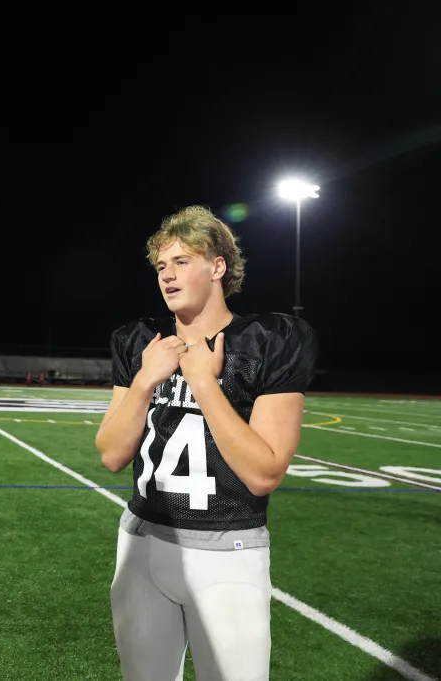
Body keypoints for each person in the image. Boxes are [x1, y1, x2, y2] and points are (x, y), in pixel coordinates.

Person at [94, 205, 317, 681]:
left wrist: (203, 382)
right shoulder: (141, 342)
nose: (167, 275)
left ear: (218, 267)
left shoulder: (268, 340)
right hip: (141, 542)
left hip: (228, 550)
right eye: (161, 265)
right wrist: (144, 382)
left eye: (181, 261)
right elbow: (111, 454)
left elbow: (264, 473)